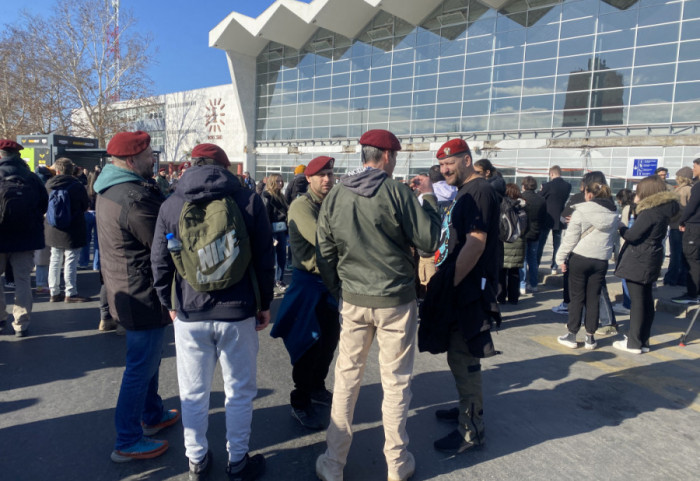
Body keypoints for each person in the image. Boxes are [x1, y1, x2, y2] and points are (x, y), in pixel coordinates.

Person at [315, 129, 441, 481]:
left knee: (346, 380)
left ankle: (333, 463)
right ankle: (397, 465)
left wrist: (339, 288)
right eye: (395, 156)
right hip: (395, 301)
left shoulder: (337, 193)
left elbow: (324, 250)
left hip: (353, 300)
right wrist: (429, 199)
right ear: (386, 156)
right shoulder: (398, 192)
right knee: (396, 383)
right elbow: (430, 242)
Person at [151, 143, 274, 481]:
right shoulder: (248, 200)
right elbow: (264, 258)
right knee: (239, 392)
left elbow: (160, 262)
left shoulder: (172, 203)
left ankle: (197, 460)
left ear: (192, 165)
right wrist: (264, 304)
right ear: (224, 166)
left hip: (190, 313)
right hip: (238, 313)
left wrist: (169, 303)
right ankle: (238, 462)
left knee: (192, 392)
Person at [94, 131, 180, 462]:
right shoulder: (133, 197)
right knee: (140, 366)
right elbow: (162, 241)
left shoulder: (112, 187)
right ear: (132, 160)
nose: (154, 158)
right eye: (149, 155)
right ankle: (128, 439)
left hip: (129, 287)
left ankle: (152, 414)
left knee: (149, 361)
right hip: (140, 292)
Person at [422, 139, 500, 456]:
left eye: (449, 163)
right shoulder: (466, 191)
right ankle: (463, 411)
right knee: (458, 356)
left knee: (465, 357)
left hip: (468, 290)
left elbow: (477, 242)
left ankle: (471, 431)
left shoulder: (478, 190)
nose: (444, 170)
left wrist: (451, 282)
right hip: (463, 286)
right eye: (441, 165)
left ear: (466, 160)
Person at [271, 155, 340, 430]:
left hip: (329, 284)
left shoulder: (331, 202)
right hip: (308, 284)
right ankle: (300, 401)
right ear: (308, 178)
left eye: (330, 174)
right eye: (321, 175)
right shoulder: (301, 205)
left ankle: (316, 387)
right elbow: (326, 240)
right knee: (308, 345)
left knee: (329, 342)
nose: (327, 179)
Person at [614, 176, 679, 354]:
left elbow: (633, 235)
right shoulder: (664, 208)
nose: (636, 193)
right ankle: (643, 340)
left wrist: (620, 228)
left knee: (638, 302)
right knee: (646, 300)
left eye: (639, 190)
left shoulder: (650, 211)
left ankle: (634, 342)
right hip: (651, 257)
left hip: (639, 258)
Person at [556, 179, 618, 350]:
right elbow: (615, 238)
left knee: (577, 298)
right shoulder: (613, 213)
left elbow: (571, 238)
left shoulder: (582, 211)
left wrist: (560, 258)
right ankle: (590, 337)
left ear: (589, 194)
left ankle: (572, 334)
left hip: (580, 257)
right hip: (601, 260)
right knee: (593, 298)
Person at [0, 139, 48, 337]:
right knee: (22, 281)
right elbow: (43, 204)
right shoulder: (30, 176)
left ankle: (0, 318)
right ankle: (21, 323)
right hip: (26, 237)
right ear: (18, 154)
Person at [45, 157, 91, 303]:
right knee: (71, 260)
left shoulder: (48, 185)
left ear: (57, 171)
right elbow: (85, 206)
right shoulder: (76, 186)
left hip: (53, 228)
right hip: (73, 228)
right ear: (72, 170)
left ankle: (54, 292)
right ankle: (70, 293)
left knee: (55, 259)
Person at [537, 165, 572, 274]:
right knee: (557, 243)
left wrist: (541, 190)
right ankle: (554, 266)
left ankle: (536, 264)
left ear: (551, 174)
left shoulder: (547, 185)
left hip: (547, 217)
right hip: (560, 216)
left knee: (541, 242)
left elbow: (539, 197)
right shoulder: (568, 186)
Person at [675, 157, 700, 304]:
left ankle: (692, 294)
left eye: (695, 166)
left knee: (692, 260)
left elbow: (691, 206)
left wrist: (682, 220)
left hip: (694, 227)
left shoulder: (697, 187)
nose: (693, 169)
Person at [664, 166, 693, 286]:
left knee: (675, 254)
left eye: (677, 176)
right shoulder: (691, 189)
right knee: (683, 253)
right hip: (684, 226)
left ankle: (672, 278)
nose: (675, 179)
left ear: (681, 178)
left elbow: (681, 209)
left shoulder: (682, 191)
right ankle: (682, 278)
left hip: (678, 225)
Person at [499, 183, 526, 304]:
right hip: (518, 241)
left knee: (501, 272)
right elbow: (526, 226)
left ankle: (501, 297)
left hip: (504, 241)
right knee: (514, 272)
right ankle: (514, 298)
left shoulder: (503, 205)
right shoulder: (522, 206)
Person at [262, 173, 289, 292]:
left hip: (281, 230)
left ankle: (279, 279)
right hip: (271, 231)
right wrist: (269, 234)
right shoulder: (266, 195)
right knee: (271, 258)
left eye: (281, 181)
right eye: (278, 181)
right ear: (272, 182)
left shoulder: (281, 196)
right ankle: (269, 282)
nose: (280, 183)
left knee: (282, 257)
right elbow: (264, 216)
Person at [519, 176, 546, 294]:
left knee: (523, 259)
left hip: (523, 232)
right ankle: (534, 284)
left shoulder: (522, 198)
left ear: (524, 186)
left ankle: (522, 285)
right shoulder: (541, 199)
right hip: (536, 232)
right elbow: (543, 216)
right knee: (533, 259)